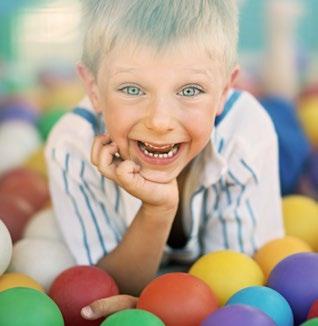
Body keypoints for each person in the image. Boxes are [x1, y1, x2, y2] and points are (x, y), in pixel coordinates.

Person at [45, 0, 284, 320]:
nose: (159, 121)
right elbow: (102, 287)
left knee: (286, 122)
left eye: (189, 90)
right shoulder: (70, 148)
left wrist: (156, 302)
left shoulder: (246, 134)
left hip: (272, 140)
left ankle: (281, 27)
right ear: (93, 88)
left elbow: (239, 283)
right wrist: (158, 209)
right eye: (132, 89)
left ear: (226, 89)